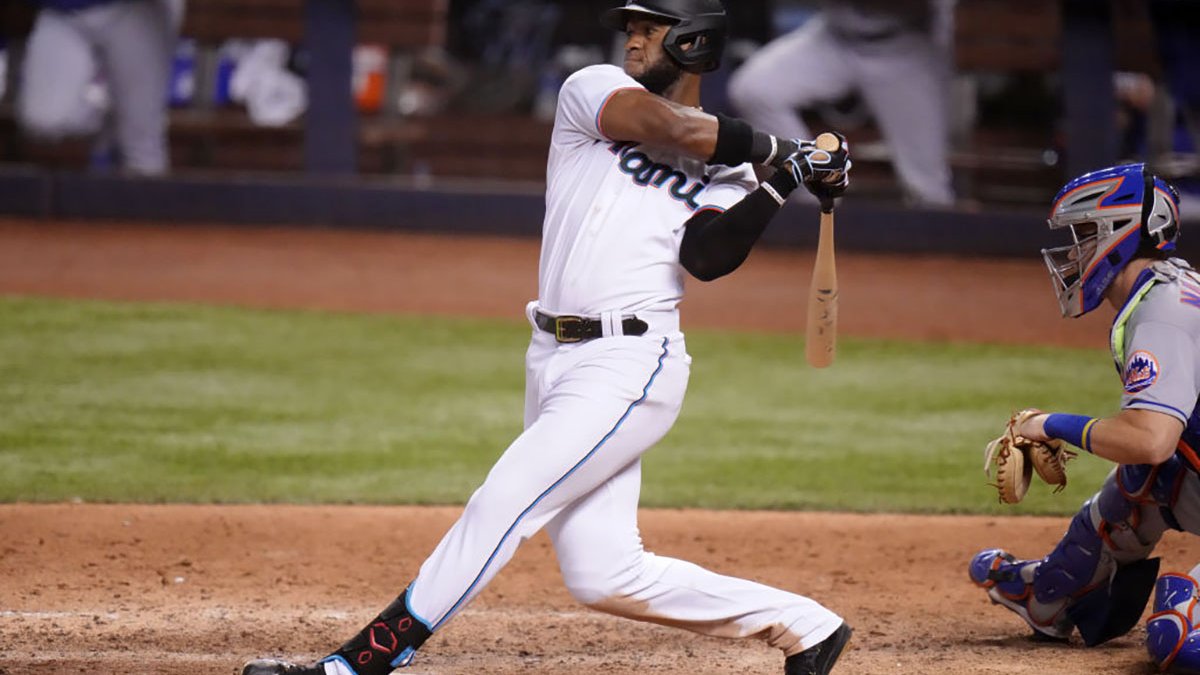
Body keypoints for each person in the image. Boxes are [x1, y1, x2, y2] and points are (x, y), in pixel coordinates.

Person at [240, 1, 854, 674]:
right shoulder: (592, 91)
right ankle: (808, 625)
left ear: (693, 38)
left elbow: (706, 257)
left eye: (650, 27)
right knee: (605, 573)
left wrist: (784, 179)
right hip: (551, 355)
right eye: (632, 27)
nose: (633, 38)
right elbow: (667, 126)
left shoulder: (729, 172)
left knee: (503, 501)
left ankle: (359, 664)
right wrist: (781, 150)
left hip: (629, 364)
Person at [967, 163, 1200, 672]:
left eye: (1083, 235)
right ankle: (1052, 591)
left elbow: (1150, 438)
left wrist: (1050, 423)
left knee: (1181, 642)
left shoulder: (1165, 312)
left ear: (1118, 234)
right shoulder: (1165, 294)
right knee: (1146, 482)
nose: (1074, 253)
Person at [727, 0, 955, 207]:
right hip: (834, 36)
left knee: (928, 190)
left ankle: (943, 246)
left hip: (904, 46)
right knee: (755, 90)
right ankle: (814, 202)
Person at [16, 0, 183, 176]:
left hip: (136, 11)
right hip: (63, 11)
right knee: (44, 121)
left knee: (142, 146)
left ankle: (144, 199)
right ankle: (111, 117)